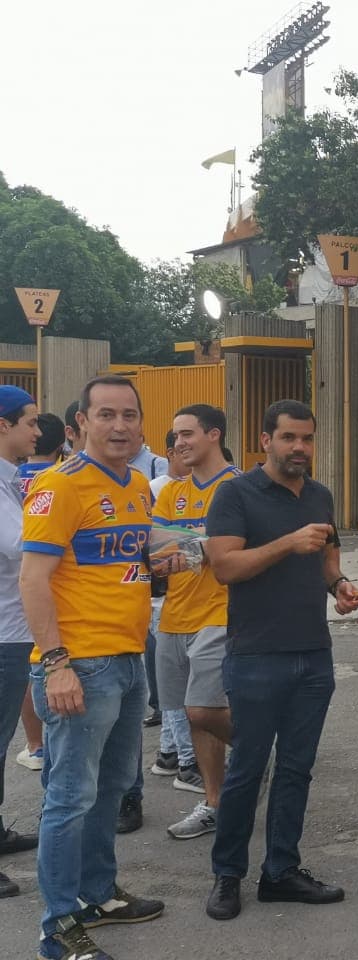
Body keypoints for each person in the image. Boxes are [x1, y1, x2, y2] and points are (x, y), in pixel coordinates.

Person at [202, 399, 358, 921]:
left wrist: (339, 585)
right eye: (289, 438)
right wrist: (287, 543)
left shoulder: (320, 495)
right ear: (265, 440)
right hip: (256, 656)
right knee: (247, 769)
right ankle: (227, 875)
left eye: (307, 439)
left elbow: (326, 557)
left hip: (314, 655)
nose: (300, 448)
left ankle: (280, 872)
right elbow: (225, 567)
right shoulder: (235, 494)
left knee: (297, 770)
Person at [21, 375, 165, 960]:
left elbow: (123, 565)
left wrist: (160, 564)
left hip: (129, 660)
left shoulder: (136, 483)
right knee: (69, 798)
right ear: (80, 422)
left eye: (129, 415)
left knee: (110, 790)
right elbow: (33, 579)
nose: (120, 426)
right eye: (106, 415)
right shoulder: (59, 486)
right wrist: (57, 666)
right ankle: (59, 928)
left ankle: (98, 894)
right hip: (80, 664)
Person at [153, 406, 241, 841]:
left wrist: (189, 546)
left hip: (221, 614)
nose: (178, 443)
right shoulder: (172, 491)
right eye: (174, 436)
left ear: (213, 434)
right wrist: (204, 545)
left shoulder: (240, 487)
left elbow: (230, 552)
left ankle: (255, 751)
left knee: (201, 708)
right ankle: (215, 802)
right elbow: (153, 550)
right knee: (192, 717)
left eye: (186, 434)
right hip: (173, 616)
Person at [0, 387, 41, 899]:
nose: (37, 431)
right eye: (30, 422)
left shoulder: (11, 480)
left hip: (12, 633)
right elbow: (23, 544)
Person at [144, 428, 198, 794]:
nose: (183, 449)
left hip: (171, 601)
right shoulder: (162, 488)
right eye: (179, 442)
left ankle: (167, 754)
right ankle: (187, 762)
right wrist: (205, 547)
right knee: (178, 690)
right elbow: (160, 549)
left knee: (171, 686)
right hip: (165, 600)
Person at [14, 411, 62, 774]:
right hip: (49, 596)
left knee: (34, 671)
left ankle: (35, 745)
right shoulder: (61, 481)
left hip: (18, 599)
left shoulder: (16, 479)